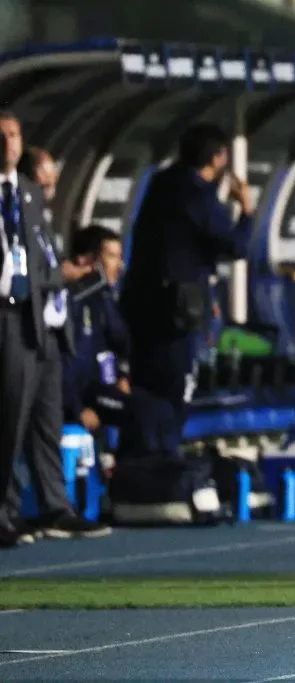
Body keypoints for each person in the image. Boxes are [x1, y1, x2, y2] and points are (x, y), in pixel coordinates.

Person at [0, 112, 107, 548]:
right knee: (9, 419)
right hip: (11, 315)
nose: (8, 142)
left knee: (46, 422)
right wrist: (53, 277)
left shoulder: (27, 197)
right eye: (1, 135)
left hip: (42, 324)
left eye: (14, 134)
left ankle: (53, 505)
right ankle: (6, 512)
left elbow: (39, 260)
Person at [118, 123, 253, 461]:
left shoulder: (161, 183)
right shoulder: (198, 194)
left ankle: (133, 465)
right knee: (172, 390)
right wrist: (246, 210)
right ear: (218, 158)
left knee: (142, 387)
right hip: (176, 311)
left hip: (140, 301)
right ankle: (161, 465)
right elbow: (233, 245)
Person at [62, 225, 131, 445]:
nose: (119, 266)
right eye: (111, 257)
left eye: (119, 257)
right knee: (144, 415)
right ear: (86, 261)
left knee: (151, 410)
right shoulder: (68, 302)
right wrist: (77, 409)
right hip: (71, 399)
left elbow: (121, 340)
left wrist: (122, 375)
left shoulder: (102, 298)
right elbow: (62, 363)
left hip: (95, 390)